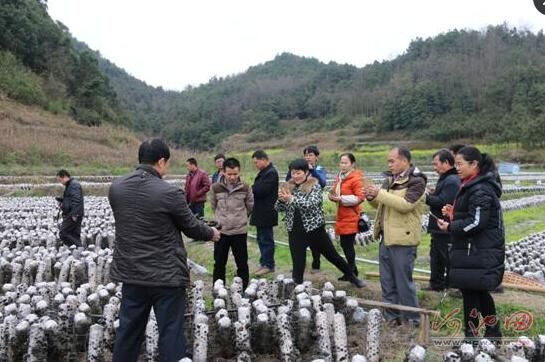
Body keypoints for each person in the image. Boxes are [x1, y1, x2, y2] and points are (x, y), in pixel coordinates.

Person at [109, 139, 221, 362]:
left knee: (128, 331)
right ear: (161, 161)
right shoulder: (168, 193)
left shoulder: (117, 188)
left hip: (132, 274)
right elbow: (191, 226)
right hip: (166, 276)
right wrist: (211, 233)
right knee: (170, 331)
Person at [437, 146, 504, 341]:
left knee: (473, 295)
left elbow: (477, 222)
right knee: (477, 293)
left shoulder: (480, 188)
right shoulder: (472, 184)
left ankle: (472, 336)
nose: (456, 168)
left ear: (474, 164)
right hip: (473, 249)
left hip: (477, 250)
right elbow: (473, 215)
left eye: (460, 164)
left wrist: (450, 227)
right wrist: (454, 213)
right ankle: (492, 333)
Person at [276, 159, 366, 288]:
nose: (295, 176)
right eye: (293, 173)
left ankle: (353, 278)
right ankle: (298, 289)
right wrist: (281, 201)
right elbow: (278, 208)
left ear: (306, 172)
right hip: (295, 230)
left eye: (298, 173)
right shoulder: (287, 187)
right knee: (298, 262)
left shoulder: (314, 186)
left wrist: (291, 199)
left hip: (314, 229)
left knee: (333, 256)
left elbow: (310, 205)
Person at [364, 147, 427, 327]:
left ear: (404, 161)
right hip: (386, 237)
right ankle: (391, 317)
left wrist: (380, 193)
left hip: (403, 239)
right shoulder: (390, 180)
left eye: (392, 161)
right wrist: (371, 197)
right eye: (388, 161)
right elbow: (380, 205)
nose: (389, 165)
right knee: (387, 281)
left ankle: (413, 320)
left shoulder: (417, 181)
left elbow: (405, 205)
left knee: (403, 282)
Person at [210, 157, 254, 290]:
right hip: (221, 232)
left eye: (235, 174)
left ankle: (244, 290)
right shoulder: (216, 187)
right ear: (223, 172)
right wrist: (221, 219)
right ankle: (218, 290)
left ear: (239, 172)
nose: (232, 177)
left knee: (242, 263)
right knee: (219, 263)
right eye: (229, 174)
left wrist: (240, 218)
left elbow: (250, 206)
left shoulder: (245, 187)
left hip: (239, 231)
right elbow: (213, 205)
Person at [285, 145, 327, 273]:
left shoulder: (319, 169)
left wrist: (311, 170)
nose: (308, 157)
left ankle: (316, 264)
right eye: (306, 155)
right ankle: (299, 265)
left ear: (316, 157)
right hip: (297, 207)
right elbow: (289, 180)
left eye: (311, 155)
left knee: (315, 239)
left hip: (312, 207)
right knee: (298, 242)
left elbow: (322, 182)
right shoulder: (299, 168)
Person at [424, 149, 460, 291]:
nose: (434, 167)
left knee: (444, 257)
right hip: (439, 226)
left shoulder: (451, 180)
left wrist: (425, 197)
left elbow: (444, 202)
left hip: (444, 226)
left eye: (436, 164)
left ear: (446, 163)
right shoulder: (448, 178)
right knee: (437, 256)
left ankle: (452, 285)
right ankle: (437, 284)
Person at [328, 153, 365, 281]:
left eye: (346, 163)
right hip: (342, 215)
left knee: (347, 245)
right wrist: (332, 197)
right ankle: (352, 271)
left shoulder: (356, 178)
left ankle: (351, 272)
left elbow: (360, 197)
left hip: (351, 217)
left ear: (352, 164)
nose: (342, 165)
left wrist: (341, 198)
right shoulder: (340, 178)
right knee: (345, 245)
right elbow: (335, 192)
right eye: (341, 163)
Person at [250, 150, 279, 276]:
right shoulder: (264, 172)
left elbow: (261, 190)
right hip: (261, 211)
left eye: (256, 162)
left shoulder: (271, 173)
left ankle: (269, 265)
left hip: (267, 212)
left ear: (263, 159)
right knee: (261, 238)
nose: (255, 165)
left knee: (266, 239)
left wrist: (252, 189)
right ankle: (263, 263)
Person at [56, 169, 84, 247]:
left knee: (63, 233)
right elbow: (70, 199)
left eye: (60, 180)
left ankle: (79, 247)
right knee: (74, 234)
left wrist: (75, 214)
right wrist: (62, 201)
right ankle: (77, 251)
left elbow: (76, 200)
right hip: (72, 213)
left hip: (72, 214)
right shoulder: (70, 185)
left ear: (64, 177)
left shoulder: (73, 185)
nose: (60, 182)